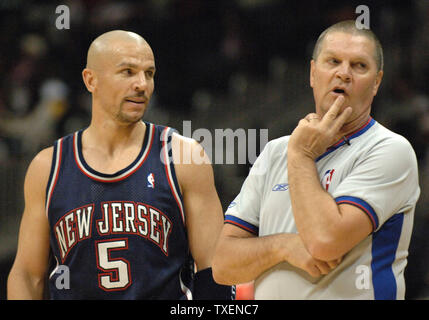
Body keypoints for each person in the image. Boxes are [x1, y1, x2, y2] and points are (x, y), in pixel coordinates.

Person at [7, 30, 233, 300]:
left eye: (149, 74)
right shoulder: (47, 167)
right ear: (91, 80)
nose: (142, 84)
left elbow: (215, 269)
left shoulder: (183, 156)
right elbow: (27, 275)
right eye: (128, 72)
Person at [212, 20, 420, 300]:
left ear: (376, 83)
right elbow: (223, 265)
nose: (343, 74)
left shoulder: (390, 150)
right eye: (333, 61)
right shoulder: (275, 152)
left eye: (359, 66)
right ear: (312, 73)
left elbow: (325, 242)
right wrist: (283, 247)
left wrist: (301, 156)